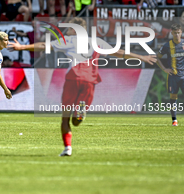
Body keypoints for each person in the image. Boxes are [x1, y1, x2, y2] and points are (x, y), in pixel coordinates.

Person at [8, 17, 157, 156]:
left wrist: (22, 47)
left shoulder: (70, 40)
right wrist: (142, 57)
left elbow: (44, 45)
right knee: (76, 121)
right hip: (90, 81)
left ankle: (68, 148)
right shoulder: (97, 42)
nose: (67, 31)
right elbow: (119, 53)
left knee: (66, 119)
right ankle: (80, 111)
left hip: (73, 78)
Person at [157, 23, 184, 127]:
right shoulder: (168, 45)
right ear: (172, 33)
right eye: (175, 33)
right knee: (173, 96)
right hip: (173, 76)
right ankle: (174, 120)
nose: (177, 35)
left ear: (181, 32)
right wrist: (164, 69)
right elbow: (157, 57)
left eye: (179, 33)